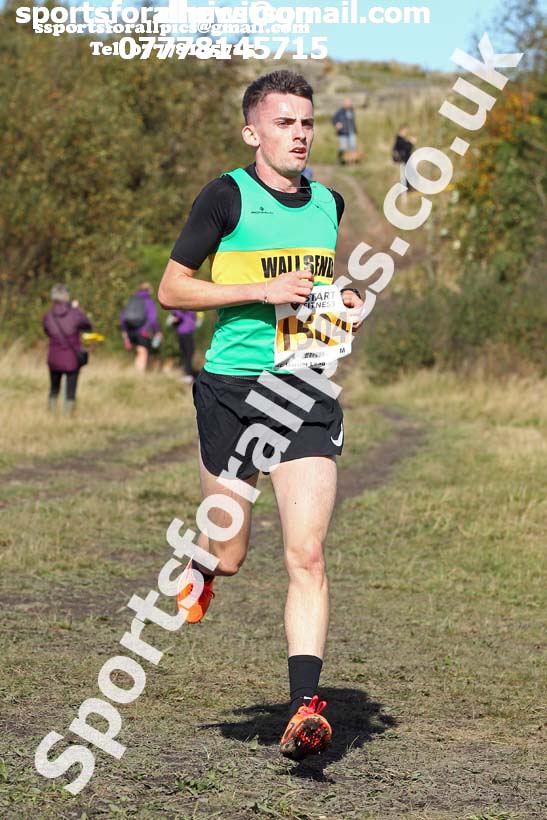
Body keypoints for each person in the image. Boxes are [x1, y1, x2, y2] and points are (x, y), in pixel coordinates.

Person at [158, 70, 364, 762]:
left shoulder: (329, 202)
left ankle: (305, 707)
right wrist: (259, 287)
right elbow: (171, 288)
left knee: (305, 554)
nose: (300, 134)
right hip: (231, 391)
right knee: (233, 553)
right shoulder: (226, 196)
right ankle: (202, 563)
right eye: (284, 123)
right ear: (253, 132)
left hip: (302, 390)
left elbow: (318, 289)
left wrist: (346, 304)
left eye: (306, 122)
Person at [42, 284, 92, 415]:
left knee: (54, 388)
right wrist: (77, 310)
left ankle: (51, 414)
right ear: (66, 297)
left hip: (54, 357)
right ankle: (67, 416)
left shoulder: (48, 316)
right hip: (72, 358)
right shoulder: (74, 314)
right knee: (71, 390)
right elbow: (87, 325)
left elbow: (46, 331)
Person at [120, 282, 162, 372]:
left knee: (138, 351)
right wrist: (157, 331)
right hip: (143, 331)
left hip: (130, 330)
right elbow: (153, 319)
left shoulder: (132, 299)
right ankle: (139, 375)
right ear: (149, 290)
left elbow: (122, 317)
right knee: (143, 352)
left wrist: (125, 331)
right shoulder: (148, 301)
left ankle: (135, 372)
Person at [167, 309, 198, 383]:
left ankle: (187, 373)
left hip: (186, 332)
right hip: (184, 332)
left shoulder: (189, 306)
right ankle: (187, 374)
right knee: (188, 353)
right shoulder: (182, 307)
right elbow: (176, 316)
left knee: (188, 352)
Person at [331, 98, 358, 165]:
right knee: (342, 147)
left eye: (350, 102)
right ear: (344, 103)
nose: (350, 104)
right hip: (343, 132)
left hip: (351, 132)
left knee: (352, 147)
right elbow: (333, 119)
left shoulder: (351, 111)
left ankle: (351, 162)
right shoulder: (340, 111)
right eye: (348, 103)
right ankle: (339, 159)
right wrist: (337, 124)